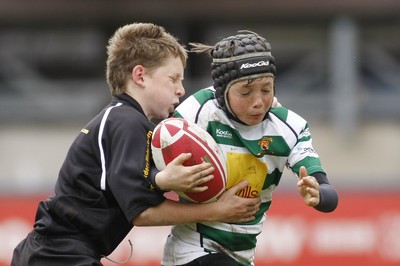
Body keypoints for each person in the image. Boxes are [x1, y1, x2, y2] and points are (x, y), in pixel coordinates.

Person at [11, 23, 262, 266]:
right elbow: (142, 212)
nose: (181, 90)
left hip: (55, 252)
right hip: (57, 254)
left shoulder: (129, 122)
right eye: (173, 78)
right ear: (140, 76)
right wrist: (218, 211)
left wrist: (162, 179)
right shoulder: (126, 121)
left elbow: (136, 182)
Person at [161, 31, 339, 266]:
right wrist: (165, 178)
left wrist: (318, 194)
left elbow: (329, 194)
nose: (258, 101)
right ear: (222, 93)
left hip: (241, 255)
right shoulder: (198, 112)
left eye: (266, 89)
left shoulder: (289, 127)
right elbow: (152, 161)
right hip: (192, 250)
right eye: (246, 92)